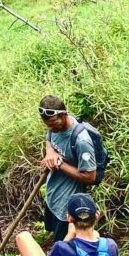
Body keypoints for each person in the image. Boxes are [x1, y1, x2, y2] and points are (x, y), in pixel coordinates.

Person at [38, 95, 97, 242]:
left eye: (53, 124)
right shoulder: (54, 127)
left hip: (67, 204)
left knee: (65, 244)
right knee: (54, 233)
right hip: (54, 196)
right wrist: (50, 152)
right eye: (47, 125)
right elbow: (49, 138)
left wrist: (59, 164)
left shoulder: (81, 140)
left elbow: (90, 177)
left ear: (64, 114)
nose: (51, 128)